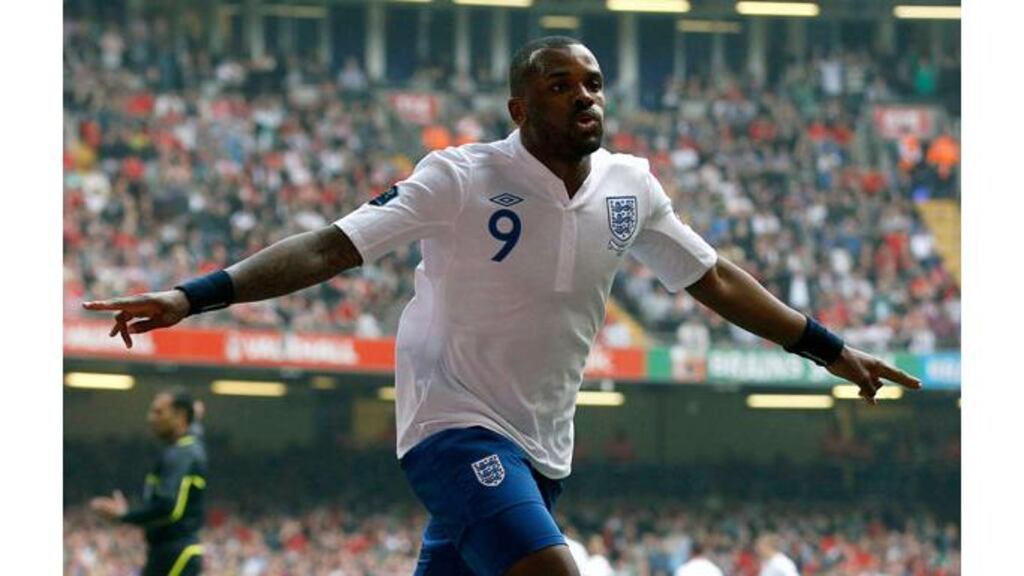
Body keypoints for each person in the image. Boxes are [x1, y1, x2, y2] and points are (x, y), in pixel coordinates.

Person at [83, 36, 921, 576]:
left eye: (593, 83)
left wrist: (827, 346)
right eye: (561, 85)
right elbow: (331, 246)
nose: (585, 95)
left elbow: (716, 279)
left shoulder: (632, 188)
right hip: (452, 427)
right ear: (520, 108)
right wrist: (193, 296)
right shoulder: (461, 176)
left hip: (545, 445)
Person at [90, 389, 208, 576]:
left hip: (174, 555)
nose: (151, 418)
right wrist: (194, 421)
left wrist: (124, 515)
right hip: (173, 553)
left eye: (159, 412)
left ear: (180, 416)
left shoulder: (180, 455)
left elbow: (168, 507)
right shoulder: (189, 448)